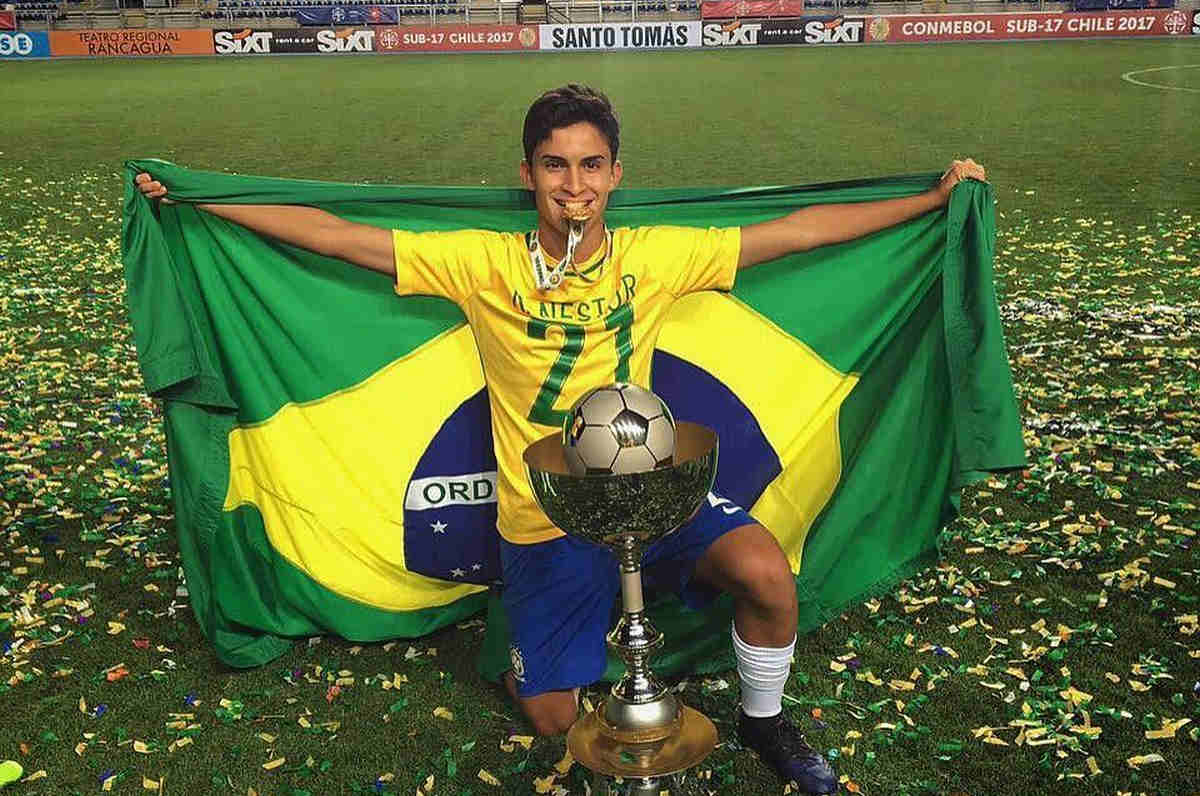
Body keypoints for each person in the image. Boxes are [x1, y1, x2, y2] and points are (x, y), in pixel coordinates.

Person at [136, 84, 985, 794]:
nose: (573, 184)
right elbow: (342, 237)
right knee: (555, 718)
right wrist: (202, 201)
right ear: (528, 173)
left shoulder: (654, 257)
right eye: (554, 164)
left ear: (616, 174)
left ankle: (765, 725)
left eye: (589, 165)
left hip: (648, 487)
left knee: (766, 573)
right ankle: (524, 638)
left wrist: (930, 202)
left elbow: (797, 233)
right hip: (547, 513)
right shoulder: (483, 264)